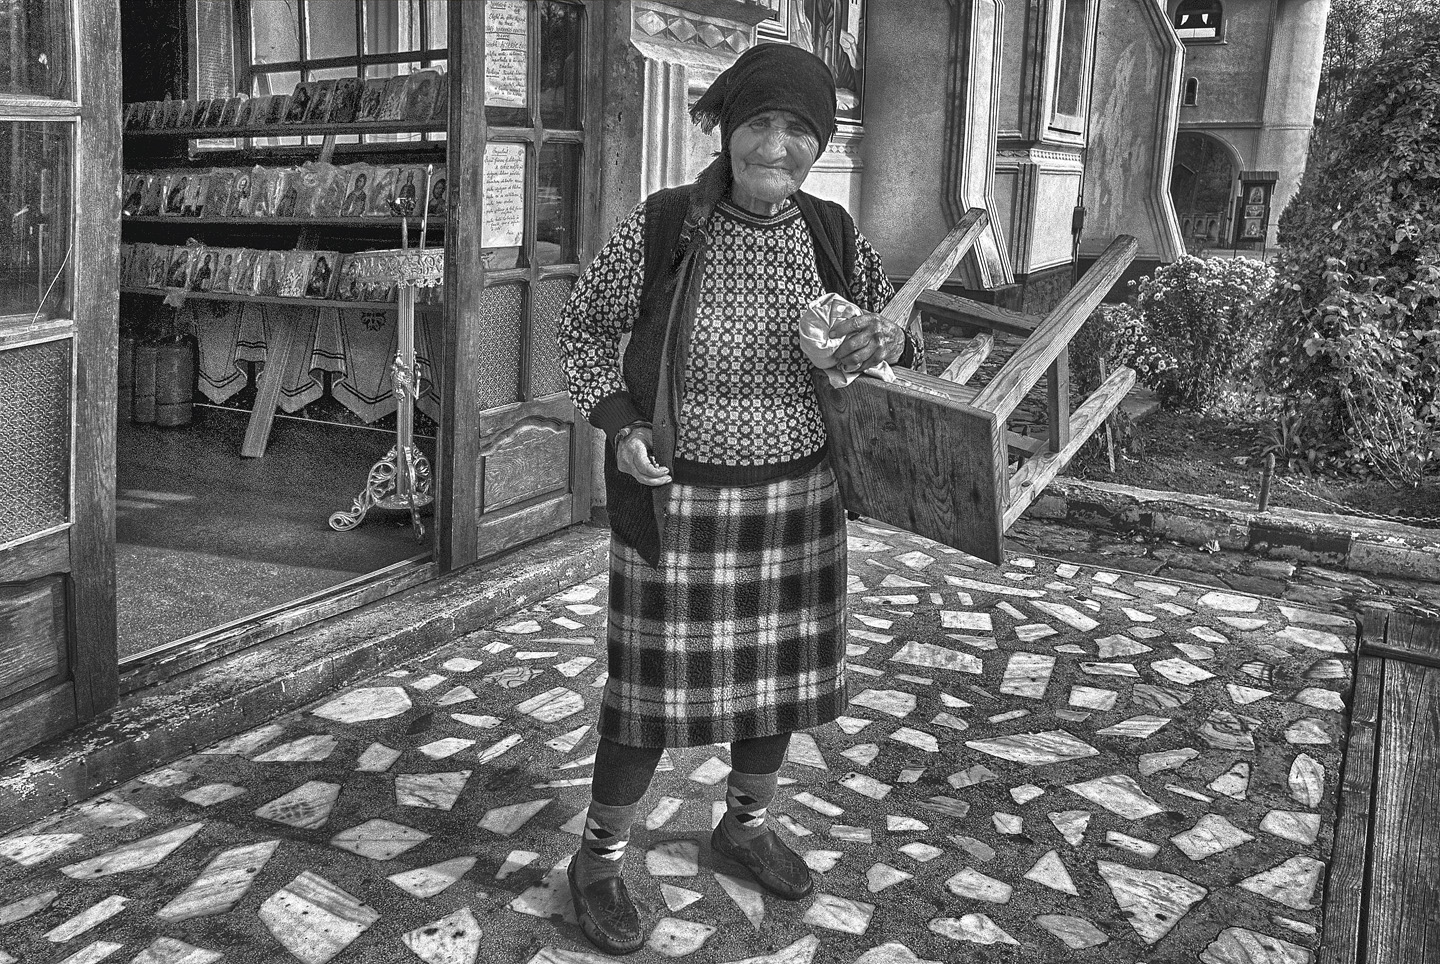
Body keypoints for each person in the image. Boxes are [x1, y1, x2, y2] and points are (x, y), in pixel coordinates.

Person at [555, 43, 920, 956]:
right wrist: (622, 423)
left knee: (778, 690)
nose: (779, 145)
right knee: (645, 696)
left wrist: (876, 342)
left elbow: (896, 335)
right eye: (761, 122)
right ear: (727, 129)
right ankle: (598, 858)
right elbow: (583, 330)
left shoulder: (833, 233)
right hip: (677, 504)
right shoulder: (666, 224)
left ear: (818, 146)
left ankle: (744, 828)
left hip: (799, 502)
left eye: (801, 130)